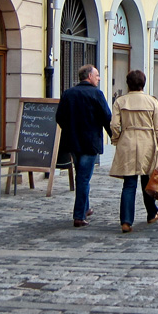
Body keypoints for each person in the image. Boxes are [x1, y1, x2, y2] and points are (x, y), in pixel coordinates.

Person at [109, 70, 158, 233]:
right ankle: (151, 213)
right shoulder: (152, 102)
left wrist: (116, 139)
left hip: (127, 142)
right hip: (147, 143)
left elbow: (114, 125)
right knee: (147, 181)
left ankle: (126, 221)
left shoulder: (120, 102)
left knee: (129, 184)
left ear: (128, 83)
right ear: (144, 83)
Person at [56, 64, 112, 228]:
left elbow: (59, 117)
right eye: (97, 75)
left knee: (80, 174)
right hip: (90, 142)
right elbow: (106, 117)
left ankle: (85, 208)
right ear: (89, 77)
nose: (98, 78)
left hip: (73, 141)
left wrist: (70, 129)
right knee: (83, 178)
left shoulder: (68, 94)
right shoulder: (96, 94)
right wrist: (113, 136)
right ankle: (79, 215)